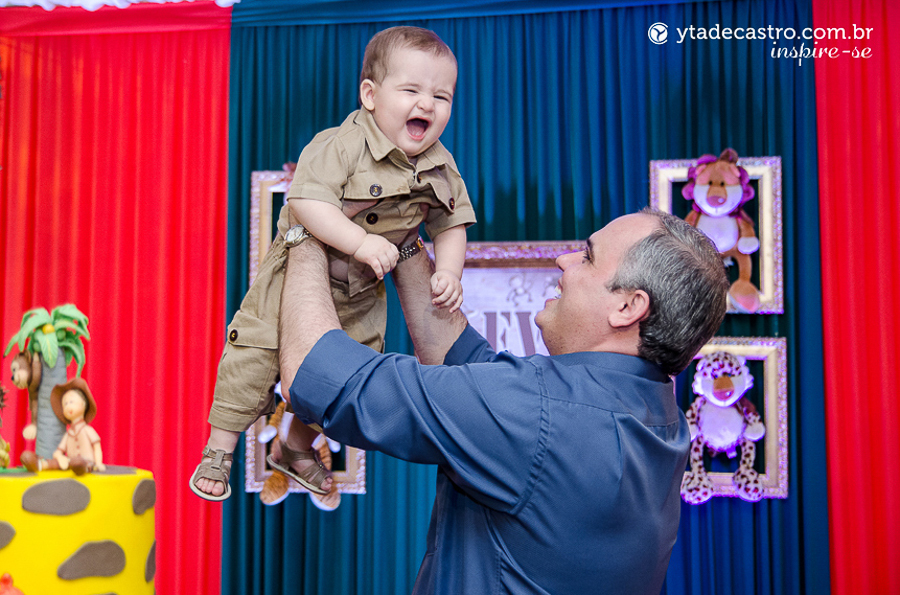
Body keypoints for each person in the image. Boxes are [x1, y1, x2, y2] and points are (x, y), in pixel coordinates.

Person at [278, 208, 729, 594]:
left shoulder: (542, 413)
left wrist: (305, 224)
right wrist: (407, 236)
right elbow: (461, 360)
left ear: (628, 307)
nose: (564, 260)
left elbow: (311, 370)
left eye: (588, 257)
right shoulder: (659, 415)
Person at [190, 26, 476, 502]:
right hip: (296, 274)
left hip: (360, 293)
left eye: (441, 96)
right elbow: (306, 202)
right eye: (411, 90)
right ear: (370, 95)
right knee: (254, 354)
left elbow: (450, 223)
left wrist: (448, 270)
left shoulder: (440, 166)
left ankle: (294, 448)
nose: (427, 104)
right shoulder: (339, 145)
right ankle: (219, 450)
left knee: (340, 378)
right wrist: (360, 241)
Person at [21, 377, 105, 475]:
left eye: (71, 402)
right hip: (70, 463)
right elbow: (58, 452)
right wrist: (60, 457)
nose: (68, 406)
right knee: (57, 463)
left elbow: (96, 447)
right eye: (65, 404)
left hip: (87, 463)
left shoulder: (87, 430)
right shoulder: (68, 434)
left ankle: (81, 468)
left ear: (83, 404)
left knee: (79, 463)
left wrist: (98, 463)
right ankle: (39, 464)